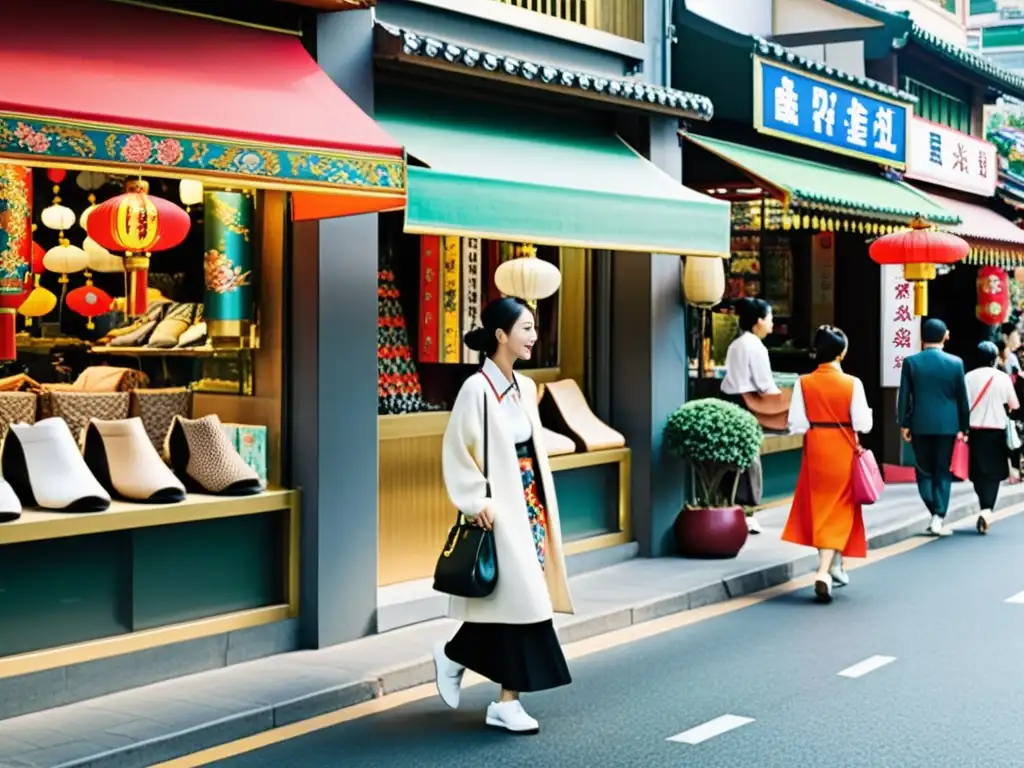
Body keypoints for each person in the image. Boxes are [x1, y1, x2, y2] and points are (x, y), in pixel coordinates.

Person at [433, 297, 574, 735]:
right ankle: (507, 701)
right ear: (501, 335)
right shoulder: (477, 389)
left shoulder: (526, 387)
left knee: (517, 602)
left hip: (530, 505)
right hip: (500, 510)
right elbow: (457, 449)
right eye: (526, 328)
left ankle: (455, 654)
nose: (534, 337)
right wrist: (477, 502)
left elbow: (531, 445)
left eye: (534, 328)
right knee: (527, 604)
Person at [782, 326, 873, 604]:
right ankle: (823, 571)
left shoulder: (804, 382)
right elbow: (863, 424)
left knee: (822, 508)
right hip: (843, 449)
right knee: (839, 511)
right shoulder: (852, 383)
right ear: (842, 353)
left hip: (816, 448)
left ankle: (835, 565)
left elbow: (796, 424)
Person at [897, 318, 970, 537]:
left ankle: (934, 509)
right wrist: (964, 426)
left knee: (923, 470)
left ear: (922, 337)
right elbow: (962, 398)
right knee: (942, 470)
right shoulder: (955, 363)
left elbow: (904, 396)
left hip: (920, 423)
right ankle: (938, 514)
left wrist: (904, 423)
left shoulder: (911, 362)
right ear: (945, 336)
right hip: (948, 425)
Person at [720, 297, 778, 528]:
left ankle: (730, 504)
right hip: (749, 404)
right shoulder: (756, 347)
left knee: (732, 456)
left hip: (730, 401)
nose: (772, 324)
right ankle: (747, 512)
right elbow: (765, 385)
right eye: (770, 318)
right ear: (759, 321)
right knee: (750, 458)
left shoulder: (736, 344)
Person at [966, 341, 1019, 534]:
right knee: (994, 474)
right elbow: (1014, 404)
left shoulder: (968, 377)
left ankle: (984, 507)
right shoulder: (1002, 378)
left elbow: (963, 405)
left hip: (975, 432)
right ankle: (987, 511)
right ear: (994, 359)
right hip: (996, 432)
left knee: (978, 473)